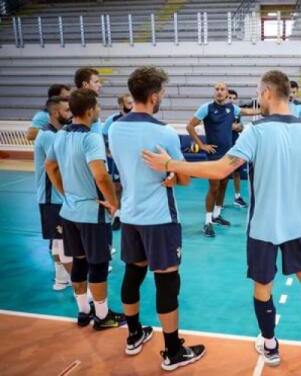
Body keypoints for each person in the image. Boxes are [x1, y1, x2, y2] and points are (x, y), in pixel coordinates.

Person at [143, 70, 301, 367]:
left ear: (267, 92)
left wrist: (170, 163)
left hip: (263, 227)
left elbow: (221, 169)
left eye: (258, 93)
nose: (258, 99)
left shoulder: (256, 132)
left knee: (263, 285)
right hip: (297, 223)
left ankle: (270, 345)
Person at [109, 66, 204, 371]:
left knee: (132, 274)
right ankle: (173, 351)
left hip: (130, 215)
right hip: (160, 218)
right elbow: (183, 177)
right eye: (162, 92)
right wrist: (172, 175)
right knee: (167, 281)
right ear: (153, 96)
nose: (162, 97)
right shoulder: (164, 133)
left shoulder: (113, 129)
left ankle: (134, 334)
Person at [45, 88, 125, 329]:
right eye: (97, 106)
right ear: (90, 110)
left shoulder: (60, 134)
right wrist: (113, 203)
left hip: (69, 212)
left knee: (79, 262)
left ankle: (83, 312)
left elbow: (50, 167)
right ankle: (102, 316)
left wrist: (65, 193)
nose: (99, 110)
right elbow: (101, 176)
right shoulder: (91, 138)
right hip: (92, 213)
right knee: (98, 265)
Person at [186, 82, 258, 238]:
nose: (219, 92)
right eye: (217, 89)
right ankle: (207, 222)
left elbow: (247, 111)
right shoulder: (206, 108)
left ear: (226, 93)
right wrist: (202, 145)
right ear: (214, 92)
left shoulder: (232, 108)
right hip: (213, 154)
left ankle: (216, 215)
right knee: (214, 187)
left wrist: (266, 109)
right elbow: (190, 126)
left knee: (224, 184)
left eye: (222, 89)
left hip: (228, 154)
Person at [34, 96, 73, 291]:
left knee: (58, 240)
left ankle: (61, 279)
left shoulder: (55, 133)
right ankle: (78, 283)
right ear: (56, 113)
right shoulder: (49, 135)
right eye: (67, 110)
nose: (70, 113)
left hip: (55, 196)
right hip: (53, 196)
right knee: (63, 241)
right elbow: (59, 166)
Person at [102, 93, 134, 230]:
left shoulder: (137, 118)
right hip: (116, 161)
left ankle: (132, 214)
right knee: (117, 187)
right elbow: (103, 136)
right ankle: (117, 215)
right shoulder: (112, 120)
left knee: (133, 186)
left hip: (133, 160)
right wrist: (107, 151)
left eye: (133, 103)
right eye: (129, 103)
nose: (132, 106)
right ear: (121, 105)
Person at [227, 89, 248, 208]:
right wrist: (229, 126)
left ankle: (237, 197)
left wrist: (238, 127)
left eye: (234, 98)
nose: (232, 100)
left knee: (236, 172)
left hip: (234, 143)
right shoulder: (220, 112)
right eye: (229, 97)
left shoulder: (238, 112)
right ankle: (217, 201)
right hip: (223, 144)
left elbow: (241, 127)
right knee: (221, 174)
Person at [74, 67, 103, 134]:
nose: (100, 85)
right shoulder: (78, 106)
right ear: (85, 84)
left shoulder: (92, 103)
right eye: (96, 82)